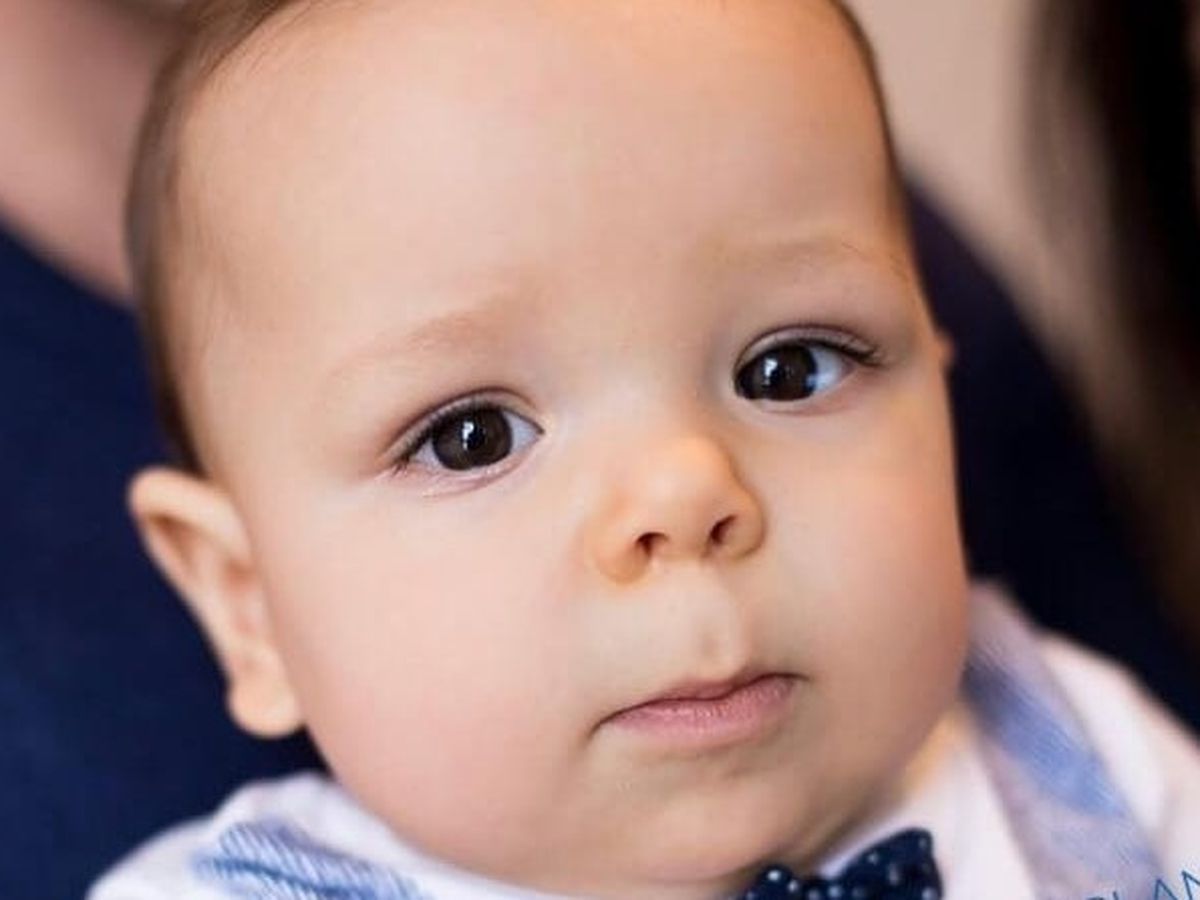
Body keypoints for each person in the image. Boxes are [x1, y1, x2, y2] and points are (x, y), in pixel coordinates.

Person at [82, 0, 1200, 897]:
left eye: (791, 368)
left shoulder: (1084, 753)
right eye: (472, 437)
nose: (684, 489)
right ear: (248, 602)